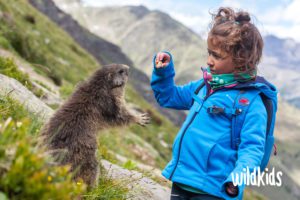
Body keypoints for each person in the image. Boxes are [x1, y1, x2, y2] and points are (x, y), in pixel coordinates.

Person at [151, 7, 278, 200]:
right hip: (182, 179)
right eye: (209, 53)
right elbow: (168, 97)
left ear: (241, 60)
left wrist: (237, 180)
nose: (209, 61)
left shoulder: (252, 103)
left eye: (217, 56)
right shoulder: (204, 86)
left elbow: (252, 150)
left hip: (215, 190)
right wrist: (163, 72)